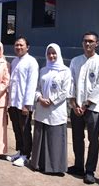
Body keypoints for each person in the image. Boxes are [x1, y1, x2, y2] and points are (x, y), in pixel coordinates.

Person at [67, 32, 99, 184]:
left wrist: (85, 104)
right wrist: (73, 103)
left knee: (93, 139)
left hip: (92, 108)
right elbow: (70, 82)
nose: (87, 44)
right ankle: (78, 166)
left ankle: (90, 170)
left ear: (97, 43)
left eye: (91, 41)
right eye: (85, 41)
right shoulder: (75, 61)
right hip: (76, 107)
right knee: (77, 138)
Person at [30, 43, 72, 175]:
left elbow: (66, 91)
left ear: (58, 54)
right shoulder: (43, 70)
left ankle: (55, 167)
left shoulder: (65, 71)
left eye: (54, 53)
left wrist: (52, 100)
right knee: (41, 136)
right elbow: (37, 89)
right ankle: (39, 163)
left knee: (55, 138)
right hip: (42, 108)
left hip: (56, 109)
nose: (51, 56)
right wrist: (40, 98)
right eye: (49, 53)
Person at [7, 37, 39, 167]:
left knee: (25, 129)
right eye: (16, 45)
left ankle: (26, 155)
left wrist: (27, 104)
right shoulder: (14, 61)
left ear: (27, 47)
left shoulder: (32, 62)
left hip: (23, 103)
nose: (18, 47)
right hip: (13, 102)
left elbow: (32, 85)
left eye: (21, 45)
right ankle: (20, 151)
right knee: (16, 129)